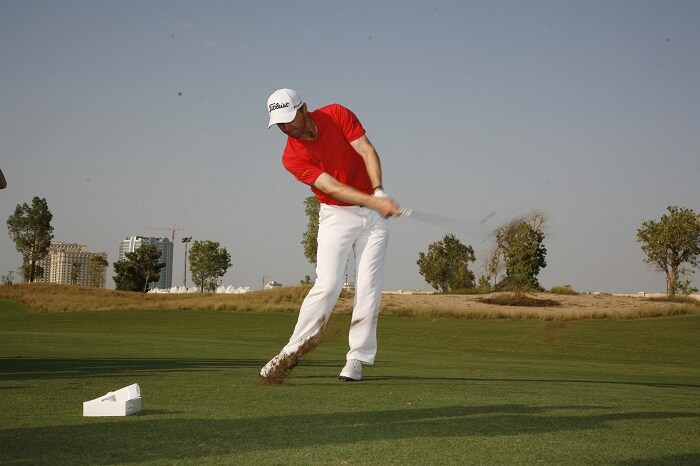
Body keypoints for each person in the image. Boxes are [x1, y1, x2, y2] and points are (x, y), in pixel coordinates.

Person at [261, 88, 400, 382]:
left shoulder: (336, 114)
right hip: (337, 216)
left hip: (373, 215)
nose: (287, 128)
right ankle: (292, 352)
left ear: (304, 109)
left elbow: (366, 149)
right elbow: (332, 187)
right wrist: (373, 201)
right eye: (280, 124)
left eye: (290, 119)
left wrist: (378, 192)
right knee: (327, 285)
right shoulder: (291, 156)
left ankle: (357, 359)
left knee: (368, 287)